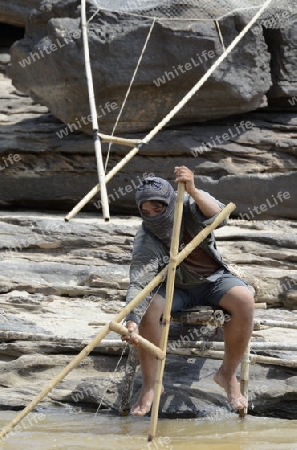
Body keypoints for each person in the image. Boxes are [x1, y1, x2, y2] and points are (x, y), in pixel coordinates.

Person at [123, 166, 254, 417]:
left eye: (158, 209)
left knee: (244, 299)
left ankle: (227, 374)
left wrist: (192, 188)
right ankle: (151, 385)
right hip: (176, 288)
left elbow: (220, 217)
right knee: (150, 308)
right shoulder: (147, 238)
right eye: (146, 212)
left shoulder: (188, 203)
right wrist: (131, 321)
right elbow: (139, 284)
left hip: (212, 280)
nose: (154, 216)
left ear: (170, 202)